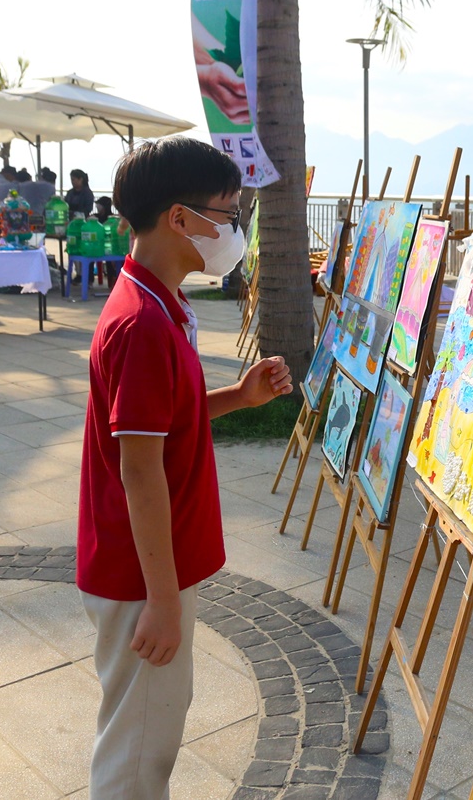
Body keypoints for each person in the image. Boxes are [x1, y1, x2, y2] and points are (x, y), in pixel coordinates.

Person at [78, 137, 292, 800]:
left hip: (147, 568)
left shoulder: (160, 300)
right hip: (142, 575)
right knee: (138, 753)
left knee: (148, 732)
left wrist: (238, 398)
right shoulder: (143, 324)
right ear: (179, 218)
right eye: (228, 214)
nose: (235, 230)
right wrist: (163, 601)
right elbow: (140, 470)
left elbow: (164, 419)